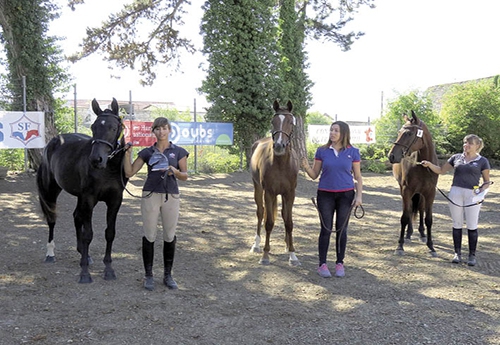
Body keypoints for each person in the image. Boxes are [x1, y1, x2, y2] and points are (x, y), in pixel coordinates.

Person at [124, 117, 189, 291]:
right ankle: (149, 275)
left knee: (169, 235)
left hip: (171, 196)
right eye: (158, 129)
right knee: (149, 234)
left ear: (169, 130)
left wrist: (174, 171)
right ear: (153, 131)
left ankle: (168, 275)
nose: (161, 132)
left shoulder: (179, 151)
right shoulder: (147, 152)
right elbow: (129, 172)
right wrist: (127, 154)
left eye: (164, 128)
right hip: (150, 195)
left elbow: (185, 175)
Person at [301, 121, 363, 278]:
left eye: (336, 130)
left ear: (344, 133)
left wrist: (359, 196)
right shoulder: (322, 151)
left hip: (346, 195)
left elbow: (357, 176)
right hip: (325, 194)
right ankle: (322, 264)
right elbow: (315, 175)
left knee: (342, 230)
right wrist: (306, 167)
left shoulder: (353, 152)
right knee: (326, 229)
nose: (332, 133)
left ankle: (339, 263)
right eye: (331, 130)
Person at [421, 134, 491, 267]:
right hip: (456, 192)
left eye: (470, 143)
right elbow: (441, 170)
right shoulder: (456, 158)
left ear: (477, 146)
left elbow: (486, 181)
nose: (466, 145)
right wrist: (429, 165)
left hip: (472, 194)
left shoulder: (482, 161)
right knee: (457, 223)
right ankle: (457, 253)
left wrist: (482, 191)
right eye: (465, 143)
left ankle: (472, 255)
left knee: (472, 224)